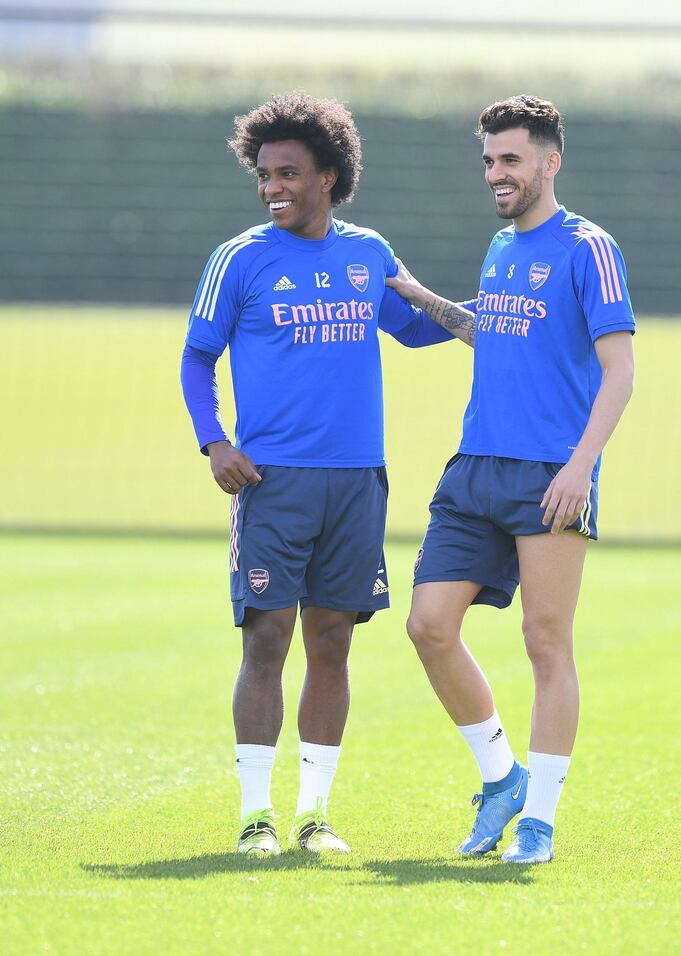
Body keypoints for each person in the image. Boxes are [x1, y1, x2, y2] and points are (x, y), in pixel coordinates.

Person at [180, 92, 460, 857]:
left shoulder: (369, 252)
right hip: (272, 484)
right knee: (265, 640)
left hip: (357, 482)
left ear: (330, 177)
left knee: (331, 643)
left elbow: (420, 323)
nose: (273, 187)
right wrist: (215, 443)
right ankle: (254, 817)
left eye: (289, 173)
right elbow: (196, 356)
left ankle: (314, 815)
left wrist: (505, 315)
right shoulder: (237, 259)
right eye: (264, 174)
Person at [386, 94, 635, 864]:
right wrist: (396, 285)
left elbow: (620, 373)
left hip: (550, 474)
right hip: (475, 468)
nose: (496, 173)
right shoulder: (500, 249)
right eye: (489, 160)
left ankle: (541, 822)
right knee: (427, 626)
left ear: (549, 163)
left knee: (545, 642)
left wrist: (579, 468)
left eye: (511, 160)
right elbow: (480, 326)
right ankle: (502, 780)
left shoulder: (589, 248)